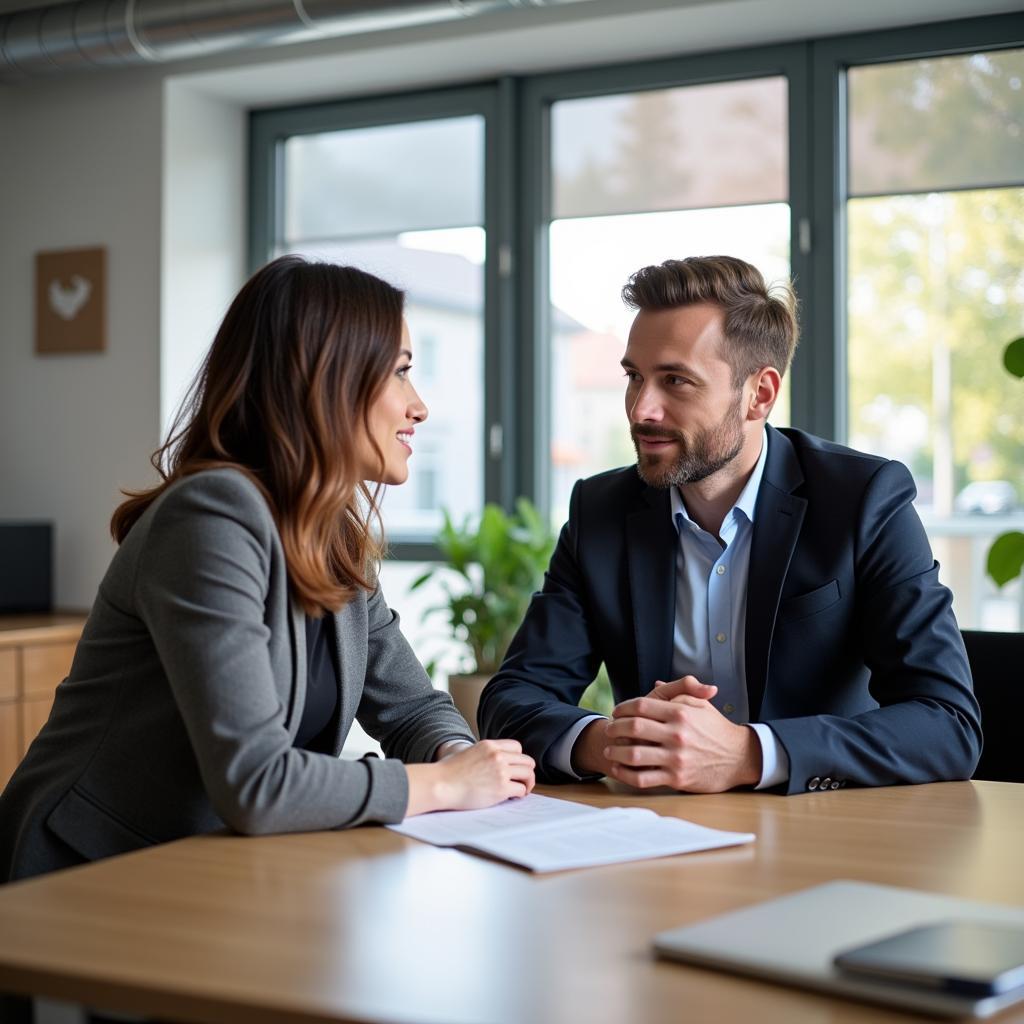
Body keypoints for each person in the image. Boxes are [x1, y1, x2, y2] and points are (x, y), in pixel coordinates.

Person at [0, 255, 535, 884]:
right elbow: (257, 782)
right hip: (81, 878)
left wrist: (454, 752)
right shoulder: (210, 518)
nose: (418, 407)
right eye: (400, 373)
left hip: (208, 870)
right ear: (326, 379)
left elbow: (412, 707)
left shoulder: (331, 531)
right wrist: (442, 783)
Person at [478, 255, 981, 795]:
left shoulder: (863, 499)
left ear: (759, 394)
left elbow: (946, 723)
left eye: (676, 381)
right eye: (634, 377)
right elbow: (511, 699)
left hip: (826, 835)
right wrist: (609, 741)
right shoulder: (600, 510)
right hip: (659, 839)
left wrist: (748, 754)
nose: (641, 409)